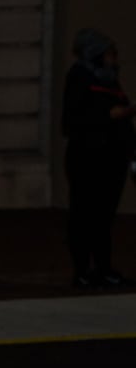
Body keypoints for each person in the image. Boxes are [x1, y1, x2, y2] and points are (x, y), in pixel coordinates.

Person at [61, 27, 135, 289]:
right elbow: (72, 120)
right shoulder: (80, 76)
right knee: (84, 213)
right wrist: (108, 116)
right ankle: (82, 270)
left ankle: (103, 269)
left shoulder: (110, 80)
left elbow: (122, 119)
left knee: (104, 217)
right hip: (88, 157)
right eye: (110, 53)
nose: (115, 58)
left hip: (112, 158)